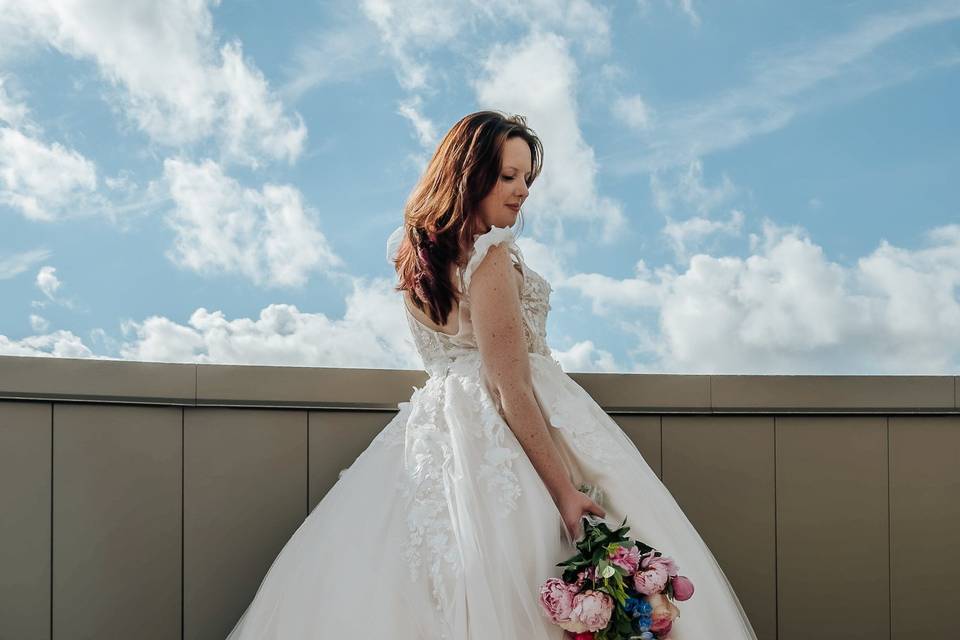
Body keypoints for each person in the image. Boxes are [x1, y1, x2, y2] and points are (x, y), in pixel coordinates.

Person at [226, 111, 759, 639]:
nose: (522, 190)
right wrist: (565, 494)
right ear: (469, 175)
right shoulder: (489, 254)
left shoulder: (419, 256)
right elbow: (510, 388)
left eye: (527, 177)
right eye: (508, 176)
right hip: (509, 427)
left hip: (436, 430)